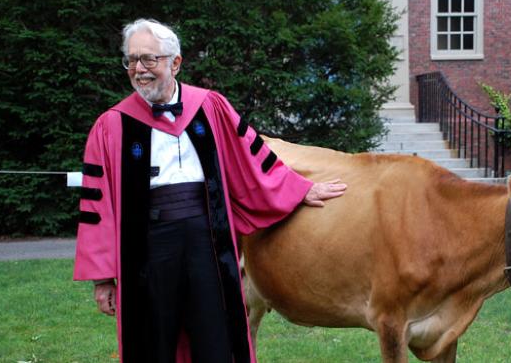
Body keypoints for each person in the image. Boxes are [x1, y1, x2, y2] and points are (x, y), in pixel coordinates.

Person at [73, 18, 347, 363]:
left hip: (208, 241)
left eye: (148, 59)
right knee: (152, 338)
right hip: (147, 248)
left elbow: (251, 157)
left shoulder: (210, 106)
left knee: (216, 333)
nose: (138, 69)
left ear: (175, 62)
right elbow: (99, 206)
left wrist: (297, 189)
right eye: (131, 60)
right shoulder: (111, 125)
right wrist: (102, 278)